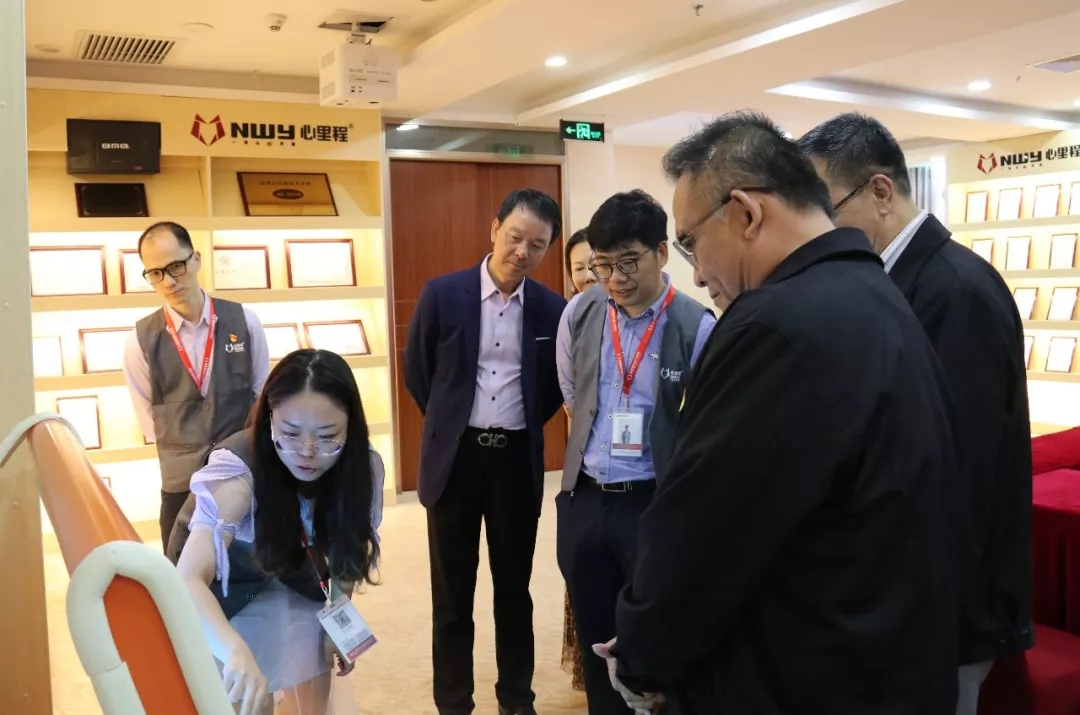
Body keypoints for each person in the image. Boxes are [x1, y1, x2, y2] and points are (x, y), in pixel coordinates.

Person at [596, 111, 959, 714]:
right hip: (884, 666)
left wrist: (641, 656)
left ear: (746, 213)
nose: (697, 273)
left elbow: (703, 537)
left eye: (691, 243)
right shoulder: (881, 299)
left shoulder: (771, 327)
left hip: (798, 677)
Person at [799, 113, 1033, 714]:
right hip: (906, 594)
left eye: (827, 210)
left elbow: (960, 468)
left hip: (944, 601)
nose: (817, 232)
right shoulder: (891, 281)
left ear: (880, 191)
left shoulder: (954, 291)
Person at [404, 188, 568, 715]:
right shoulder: (442, 294)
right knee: (452, 594)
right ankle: (454, 702)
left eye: (537, 245)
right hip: (455, 460)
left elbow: (552, 388)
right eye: (515, 237)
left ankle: (516, 700)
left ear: (548, 249)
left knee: (514, 592)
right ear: (495, 229)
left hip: (515, 462)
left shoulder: (553, 309)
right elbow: (419, 372)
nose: (523, 252)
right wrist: (452, 422)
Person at [556, 190, 714, 714]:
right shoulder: (580, 312)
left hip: (652, 502)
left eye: (628, 262)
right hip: (585, 498)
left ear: (661, 253)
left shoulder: (696, 326)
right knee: (594, 637)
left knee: (650, 640)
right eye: (602, 265)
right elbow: (571, 394)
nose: (615, 278)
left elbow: (705, 426)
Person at [170, 349, 384, 715]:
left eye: (328, 436)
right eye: (290, 433)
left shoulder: (361, 465)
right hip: (224, 590)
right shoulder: (237, 473)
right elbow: (188, 578)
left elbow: (347, 543)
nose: (307, 452)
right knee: (243, 691)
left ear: (352, 425)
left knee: (314, 671)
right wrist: (234, 651)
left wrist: (338, 615)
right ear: (269, 418)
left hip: (292, 572)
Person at [122, 221, 270, 550]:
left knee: (251, 568)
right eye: (156, 273)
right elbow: (149, 421)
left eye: (176, 266)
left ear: (197, 259)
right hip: (181, 485)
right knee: (181, 572)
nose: (169, 281)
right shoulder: (139, 340)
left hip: (243, 471)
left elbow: (262, 396)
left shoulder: (245, 322)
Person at [560, 227, 595, 694]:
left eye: (595, 265)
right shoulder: (572, 318)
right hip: (583, 464)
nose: (588, 275)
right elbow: (569, 398)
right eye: (579, 268)